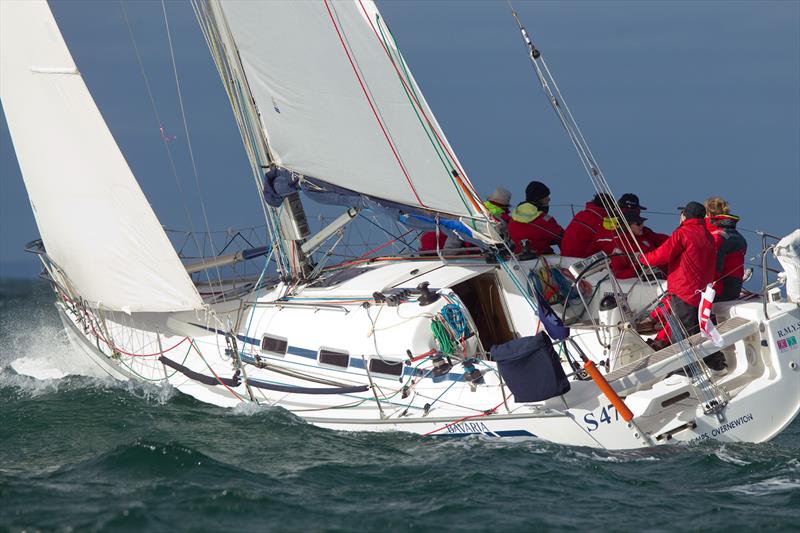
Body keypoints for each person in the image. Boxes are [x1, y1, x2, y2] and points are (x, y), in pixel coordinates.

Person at [640, 201, 716, 351]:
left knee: (682, 334)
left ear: (685, 216)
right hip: (701, 291)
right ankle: (709, 361)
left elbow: (662, 255)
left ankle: (686, 368)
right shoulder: (708, 236)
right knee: (692, 329)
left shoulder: (683, 233)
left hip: (684, 290)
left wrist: (642, 259)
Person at [704, 197, 747, 301]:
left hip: (718, 291)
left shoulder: (717, 237)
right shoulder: (739, 237)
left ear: (709, 215)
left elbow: (714, 269)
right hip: (735, 290)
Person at [507, 181, 564, 255]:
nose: (549, 199)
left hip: (518, 259)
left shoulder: (513, 218)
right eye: (546, 196)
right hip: (543, 259)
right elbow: (562, 237)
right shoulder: (544, 220)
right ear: (539, 199)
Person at [561, 193, 617, 257]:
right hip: (581, 259)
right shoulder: (601, 222)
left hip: (565, 255)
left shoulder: (581, 214)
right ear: (609, 207)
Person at [609, 211, 659, 279]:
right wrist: (637, 271)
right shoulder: (620, 245)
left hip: (662, 277)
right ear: (627, 226)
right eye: (638, 224)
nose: (642, 226)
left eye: (642, 223)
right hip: (647, 283)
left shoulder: (645, 237)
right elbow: (619, 273)